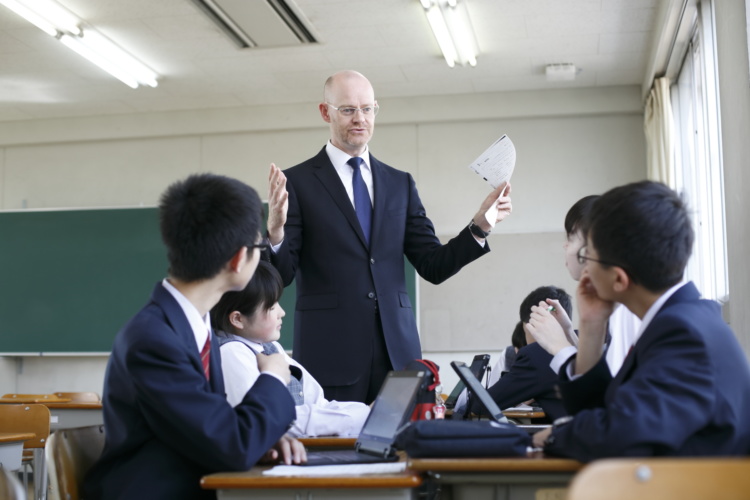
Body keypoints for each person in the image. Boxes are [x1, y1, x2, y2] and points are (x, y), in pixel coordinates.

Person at [266, 69, 513, 403]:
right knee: (335, 452)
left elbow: (433, 266)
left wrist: (480, 225)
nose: (360, 119)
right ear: (326, 112)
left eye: (367, 109)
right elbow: (280, 277)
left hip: (399, 357)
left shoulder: (400, 184)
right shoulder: (296, 183)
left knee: (406, 450)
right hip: (331, 353)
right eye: (348, 109)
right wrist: (276, 232)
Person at [84, 174, 306, 500]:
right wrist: (273, 378)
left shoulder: (194, 326)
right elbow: (230, 446)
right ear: (237, 259)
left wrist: (260, 439)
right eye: (259, 246)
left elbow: (210, 430)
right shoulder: (152, 340)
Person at [528, 181, 750, 461]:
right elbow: (609, 414)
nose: (584, 267)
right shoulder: (684, 318)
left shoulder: (682, 334)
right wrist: (591, 324)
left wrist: (556, 435)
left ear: (619, 279)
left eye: (588, 255)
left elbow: (621, 436)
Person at [211, 261, 370, 437]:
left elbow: (318, 403)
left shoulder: (269, 346)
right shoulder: (231, 353)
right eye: (271, 307)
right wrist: (359, 416)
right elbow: (270, 422)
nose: (282, 312)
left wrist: (366, 411)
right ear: (238, 319)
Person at [528, 194, 640, 376]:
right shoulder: (615, 305)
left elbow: (605, 391)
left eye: (571, 237)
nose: (565, 246)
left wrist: (559, 346)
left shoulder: (627, 311)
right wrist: (567, 332)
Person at [469, 286, 572, 422]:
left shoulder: (536, 354)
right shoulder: (590, 344)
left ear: (528, 325)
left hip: (562, 439)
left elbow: (479, 406)